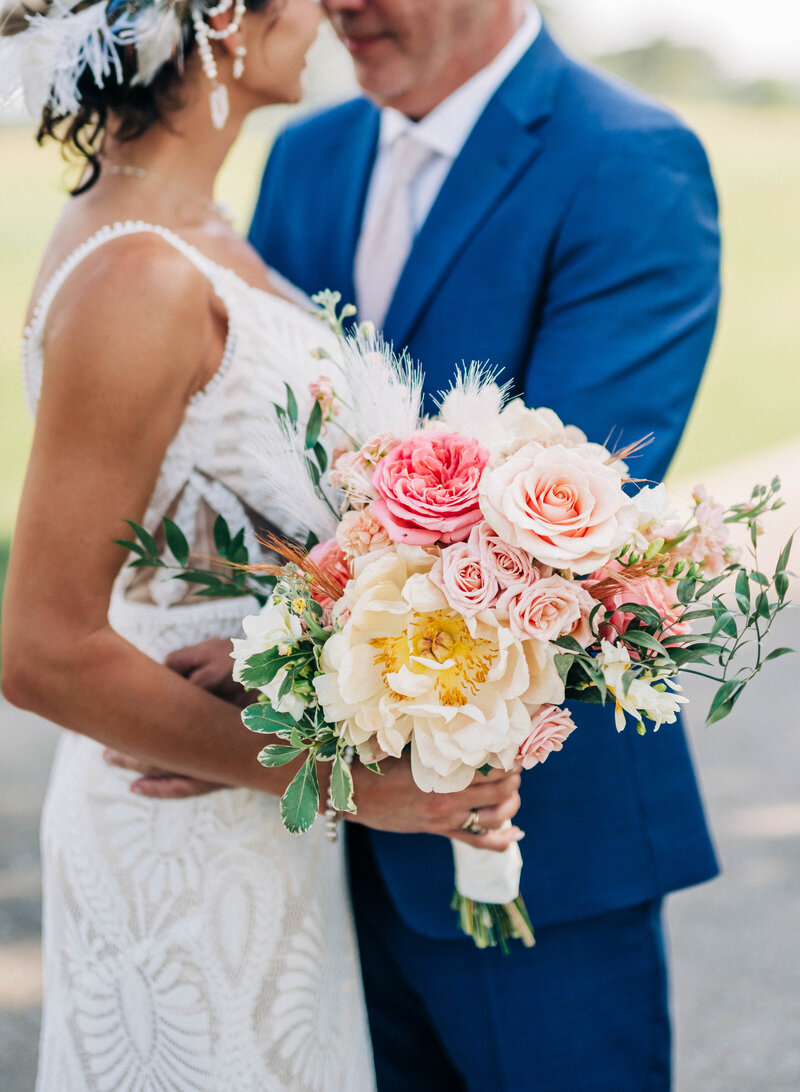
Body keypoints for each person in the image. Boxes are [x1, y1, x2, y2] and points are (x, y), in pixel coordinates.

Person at [150, 1, 723, 1089]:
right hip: (307, 842)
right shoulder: (304, 154)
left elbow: (567, 517)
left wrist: (279, 668)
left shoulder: (629, 159)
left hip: (532, 835)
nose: (338, 5)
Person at [0, 0, 524, 1088]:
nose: (323, 18)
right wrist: (350, 785)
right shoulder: (140, 272)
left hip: (256, 815)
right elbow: (40, 648)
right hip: (179, 816)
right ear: (226, 23)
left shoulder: (195, 233)